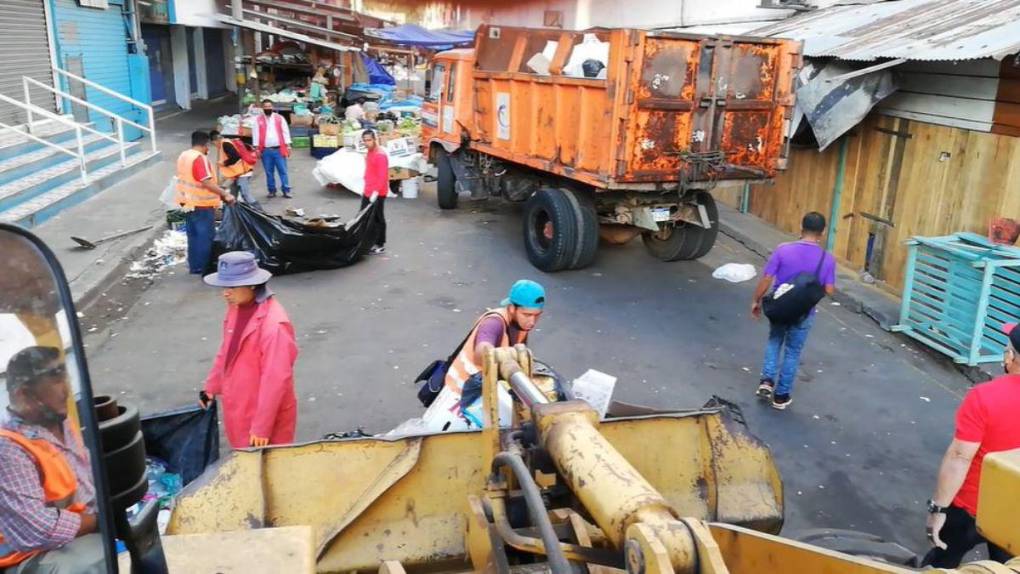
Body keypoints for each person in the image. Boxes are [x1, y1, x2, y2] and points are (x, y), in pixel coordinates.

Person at [921, 323, 1020, 567]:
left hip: (971, 508)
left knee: (942, 560)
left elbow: (959, 457)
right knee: (1005, 566)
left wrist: (938, 509)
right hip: (1014, 512)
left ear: (1010, 356)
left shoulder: (985, 396)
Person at [0, 347, 105, 574]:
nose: (66, 389)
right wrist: (100, 520)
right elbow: (36, 530)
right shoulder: (8, 448)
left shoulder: (57, 419)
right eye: (56, 378)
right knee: (108, 560)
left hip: (81, 531)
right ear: (24, 395)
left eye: (64, 375)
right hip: (29, 557)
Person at [200, 252, 298, 449]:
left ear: (253, 284)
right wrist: (211, 386)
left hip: (262, 415)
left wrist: (262, 427)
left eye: (232, 287)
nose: (225, 293)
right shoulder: (237, 308)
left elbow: (275, 380)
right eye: (224, 287)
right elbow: (227, 350)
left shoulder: (274, 326)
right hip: (239, 405)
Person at [749, 211, 836, 410]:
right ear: (822, 233)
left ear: (801, 228)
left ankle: (766, 382)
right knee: (792, 352)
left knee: (774, 341)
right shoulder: (828, 259)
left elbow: (767, 278)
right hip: (805, 313)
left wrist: (756, 301)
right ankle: (781, 396)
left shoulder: (783, 250)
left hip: (780, 307)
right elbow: (829, 290)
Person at [176, 131, 235, 275]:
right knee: (205, 237)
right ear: (206, 144)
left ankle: (195, 266)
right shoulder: (199, 158)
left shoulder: (184, 155)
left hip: (187, 203)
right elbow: (206, 181)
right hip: (201, 204)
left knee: (193, 236)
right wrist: (224, 194)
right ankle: (205, 268)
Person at [252, 99, 293, 199]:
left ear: (272, 107)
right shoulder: (258, 120)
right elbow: (256, 134)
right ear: (262, 108)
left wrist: (288, 145)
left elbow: (285, 132)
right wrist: (256, 148)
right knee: (269, 172)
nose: (267, 108)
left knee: (283, 171)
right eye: (265, 107)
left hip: (279, 149)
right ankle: (271, 190)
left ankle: (286, 190)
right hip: (265, 150)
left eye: (269, 106)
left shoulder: (279, 118)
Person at [361, 130, 389, 255]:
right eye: (364, 140)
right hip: (368, 190)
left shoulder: (380, 155)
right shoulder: (370, 152)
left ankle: (380, 243)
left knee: (378, 217)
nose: (366, 143)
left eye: (368, 140)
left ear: (374, 139)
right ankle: (369, 241)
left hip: (377, 192)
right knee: (365, 217)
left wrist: (376, 192)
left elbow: (382, 176)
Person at [211, 130, 256, 205]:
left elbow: (235, 157)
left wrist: (224, 163)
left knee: (245, 194)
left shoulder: (225, 144)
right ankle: (233, 213)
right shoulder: (226, 143)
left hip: (243, 172)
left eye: (214, 143)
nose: (215, 145)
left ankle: (258, 211)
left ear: (215, 140)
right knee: (233, 195)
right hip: (236, 174)